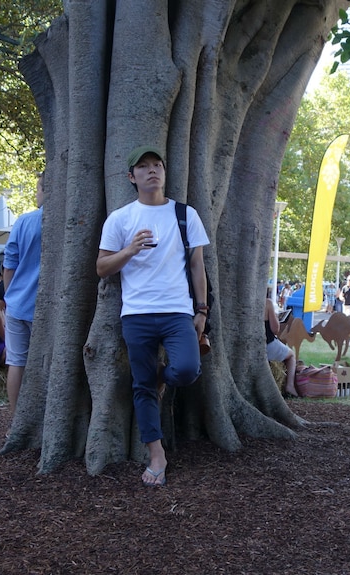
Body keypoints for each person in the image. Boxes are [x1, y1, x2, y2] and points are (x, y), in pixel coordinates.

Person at [97, 145, 208, 488]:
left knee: (188, 369)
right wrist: (129, 250)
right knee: (142, 386)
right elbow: (101, 267)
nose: (151, 171)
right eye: (142, 167)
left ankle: (163, 374)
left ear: (164, 172)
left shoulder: (185, 214)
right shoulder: (121, 218)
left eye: (156, 165)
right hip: (137, 313)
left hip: (178, 311)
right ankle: (157, 456)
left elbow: (197, 265)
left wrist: (202, 310)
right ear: (132, 177)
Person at [3, 172, 44, 415]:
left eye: (38, 188)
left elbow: (10, 265)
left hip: (19, 304)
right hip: (49, 307)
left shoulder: (24, 222)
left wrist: (10, 298)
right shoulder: (67, 218)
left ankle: (18, 420)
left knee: (17, 362)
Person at [264, 297, 297, 396]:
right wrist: (275, 317)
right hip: (267, 345)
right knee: (291, 355)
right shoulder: (267, 303)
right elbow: (275, 329)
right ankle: (290, 386)